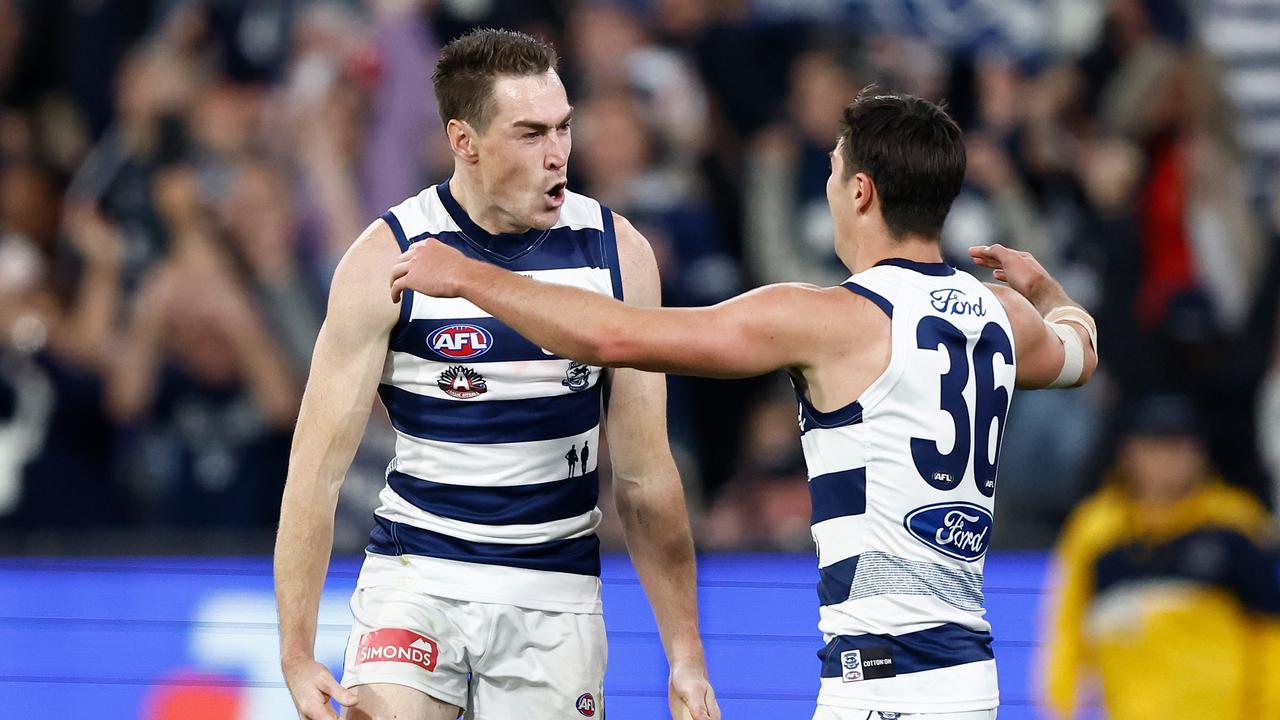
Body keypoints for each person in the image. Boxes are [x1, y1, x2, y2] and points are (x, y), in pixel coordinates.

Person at [390, 89, 1100, 718]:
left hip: (883, 686)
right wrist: (1046, 290)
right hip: (971, 685)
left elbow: (613, 335)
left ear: (859, 192)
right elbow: (1081, 350)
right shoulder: (1002, 316)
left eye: (829, 172)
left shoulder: (831, 320)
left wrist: (472, 277)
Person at [273, 28, 718, 720]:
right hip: (417, 577)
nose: (557, 155)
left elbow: (642, 475)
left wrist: (685, 653)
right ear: (465, 141)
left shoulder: (616, 254)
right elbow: (317, 469)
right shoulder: (385, 257)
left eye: (564, 128)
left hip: (553, 593)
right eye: (530, 133)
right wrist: (297, 652)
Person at [1041, 395, 1280, 720]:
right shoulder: (1096, 531)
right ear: (1127, 454)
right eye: (1155, 447)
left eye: (1179, 447)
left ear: (1199, 453)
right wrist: (1063, 710)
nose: (1168, 460)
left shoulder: (1234, 526)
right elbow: (1067, 631)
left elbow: (1270, 636)